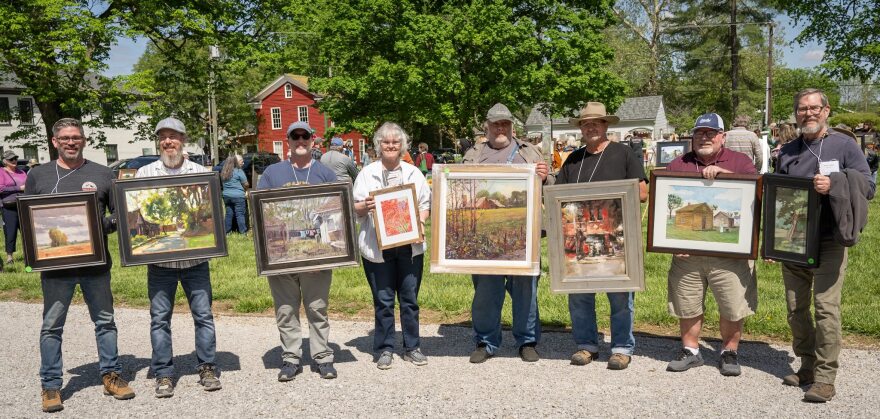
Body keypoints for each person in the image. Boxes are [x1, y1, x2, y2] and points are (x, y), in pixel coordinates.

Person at [25, 118, 134, 412]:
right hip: (55, 269)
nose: (71, 142)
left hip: (96, 266)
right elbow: (29, 220)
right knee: (51, 326)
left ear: (84, 140)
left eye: (76, 137)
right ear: (54, 142)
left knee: (105, 322)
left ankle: (111, 375)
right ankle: (50, 385)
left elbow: (117, 217)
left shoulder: (102, 173)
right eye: (65, 138)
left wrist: (100, 226)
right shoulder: (38, 175)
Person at [776, 88, 874, 402]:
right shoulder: (788, 150)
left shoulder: (844, 145)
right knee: (796, 308)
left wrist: (835, 184)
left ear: (826, 110)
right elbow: (780, 195)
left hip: (831, 239)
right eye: (802, 109)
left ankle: (825, 377)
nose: (808, 113)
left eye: (814, 108)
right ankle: (806, 364)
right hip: (793, 240)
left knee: (826, 308)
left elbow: (868, 184)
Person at [661, 113, 758, 377]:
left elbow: (756, 195)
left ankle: (729, 352)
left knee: (731, 303)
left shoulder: (741, 162)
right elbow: (661, 211)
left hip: (730, 255)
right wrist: (670, 243)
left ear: (722, 137)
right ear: (692, 137)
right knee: (687, 302)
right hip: (687, 255)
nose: (704, 137)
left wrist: (727, 176)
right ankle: (690, 350)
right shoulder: (678, 164)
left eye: (710, 133)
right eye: (699, 133)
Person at [555, 102, 648, 370]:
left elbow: (642, 194)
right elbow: (558, 198)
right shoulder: (573, 159)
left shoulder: (624, 153)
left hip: (617, 239)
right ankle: (586, 345)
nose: (591, 127)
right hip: (580, 240)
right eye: (586, 123)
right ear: (581, 129)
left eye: (596, 122)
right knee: (580, 295)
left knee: (620, 296)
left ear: (606, 125)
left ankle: (621, 348)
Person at [136, 117, 222, 398]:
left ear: (183, 140)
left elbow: (211, 213)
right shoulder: (145, 173)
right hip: (160, 265)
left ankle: (207, 366)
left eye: (173, 136)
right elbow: (137, 213)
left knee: (204, 316)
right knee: (160, 319)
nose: (168, 141)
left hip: (196, 263)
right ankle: (163, 373)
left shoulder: (200, 172)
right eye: (163, 137)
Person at [463, 103, 550, 363]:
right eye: (495, 124)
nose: (500, 128)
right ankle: (486, 341)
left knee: (526, 290)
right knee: (486, 292)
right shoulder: (474, 154)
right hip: (483, 237)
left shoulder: (530, 152)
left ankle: (527, 341)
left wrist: (546, 178)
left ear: (512, 127)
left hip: (526, 237)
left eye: (505, 124)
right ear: (487, 127)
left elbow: (552, 187)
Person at [258, 121, 340, 381]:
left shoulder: (325, 174)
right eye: (296, 137)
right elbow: (262, 215)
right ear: (289, 141)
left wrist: (325, 252)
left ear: (313, 141)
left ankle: (322, 357)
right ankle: (291, 358)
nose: (301, 141)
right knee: (286, 309)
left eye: (305, 136)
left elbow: (337, 212)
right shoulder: (272, 173)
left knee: (317, 308)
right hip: (281, 258)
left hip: (318, 256)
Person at [353, 122, 431, 369]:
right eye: (386, 142)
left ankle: (412, 347)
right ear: (378, 145)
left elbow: (424, 205)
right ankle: (385, 348)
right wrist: (366, 205)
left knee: (409, 299)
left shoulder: (413, 173)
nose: (390, 145)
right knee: (383, 300)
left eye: (395, 142)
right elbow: (355, 208)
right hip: (377, 248)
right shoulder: (367, 174)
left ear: (402, 146)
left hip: (409, 247)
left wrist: (419, 222)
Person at [1, 149, 26, 266]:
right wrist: (19, 188)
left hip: (23, 205)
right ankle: (10, 257)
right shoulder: (1, 172)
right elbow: (1, 189)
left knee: (27, 232)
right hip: (9, 206)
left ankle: (30, 255)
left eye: (15, 158)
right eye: (11, 159)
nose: (14, 160)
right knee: (10, 232)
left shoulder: (21, 172)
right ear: (5, 161)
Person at [220, 154, 249, 234]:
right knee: (240, 214)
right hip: (238, 196)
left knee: (229, 214)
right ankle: (243, 232)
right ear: (235, 162)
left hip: (226, 196)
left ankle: (227, 232)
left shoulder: (224, 172)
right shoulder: (238, 171)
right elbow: (246, 184)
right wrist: (245, 189)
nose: (242, 163)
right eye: (240, 161)